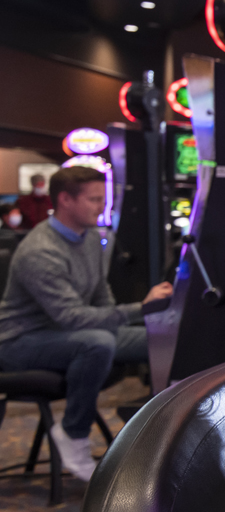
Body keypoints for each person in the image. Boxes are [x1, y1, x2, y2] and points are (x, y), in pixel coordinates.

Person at [0, 166, 173, 481]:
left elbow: (100, 297)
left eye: (103, 199)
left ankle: (165, 439)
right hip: (20, 342)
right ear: (65, 200)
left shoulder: (92, 237)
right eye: (94, 200)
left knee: (162, 337)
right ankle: (73, 432)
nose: (101, 207)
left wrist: (141, 317)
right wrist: (142, 308)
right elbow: (72, 317)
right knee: (98, 343)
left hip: (68, 334)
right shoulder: (40, 252)